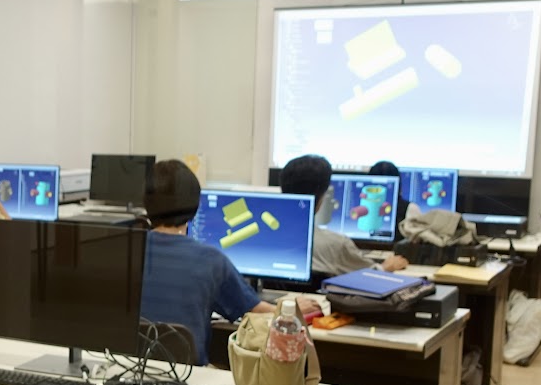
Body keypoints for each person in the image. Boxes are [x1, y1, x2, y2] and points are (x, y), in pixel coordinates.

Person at [139, 159, 318, 365]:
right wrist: (292, 308)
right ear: (194, 207)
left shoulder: (124, 252)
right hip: (187, 375)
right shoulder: (210, 260)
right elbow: (255, 311)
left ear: (146, 204)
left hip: (126, 370)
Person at [278, 154, 408, 277]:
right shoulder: (337, 245)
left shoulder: (270, 235)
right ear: (321, 198)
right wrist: (385, 267)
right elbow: (369, 275)